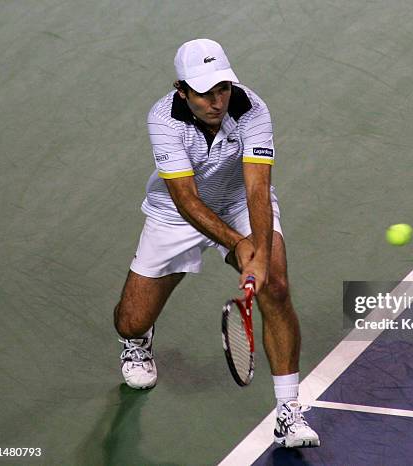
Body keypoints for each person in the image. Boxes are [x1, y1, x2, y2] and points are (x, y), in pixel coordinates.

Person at [113, 38, 319, 448]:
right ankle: (137, 342)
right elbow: (186, 199)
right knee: (130, 319)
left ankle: (288, 413)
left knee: (275, 286)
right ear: (182, 90)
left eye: (222, 89)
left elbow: (258, 188)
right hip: (177, 214)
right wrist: (238, 245)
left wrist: (258, 252)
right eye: (204, 93)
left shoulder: (252, 109)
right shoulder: (163, 119)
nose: (216, 101)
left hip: (239, 202)